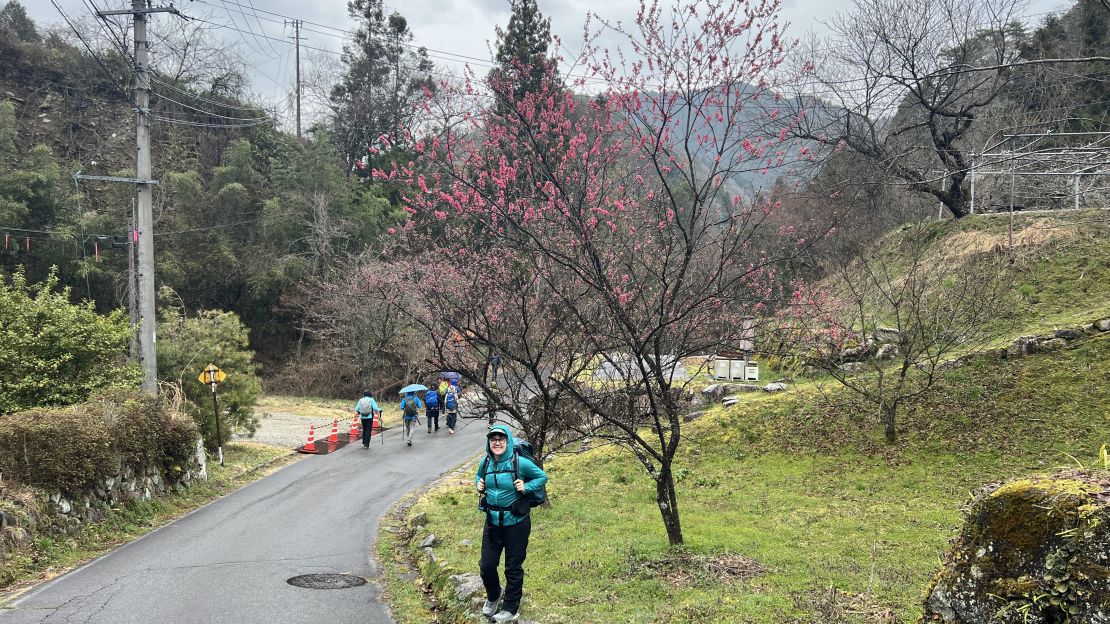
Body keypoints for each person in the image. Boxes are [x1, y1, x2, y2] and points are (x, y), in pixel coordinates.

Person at [475, 424, 548, 623]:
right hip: (492, 522)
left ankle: (511, 608)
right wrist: (478, 484)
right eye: (493, 439)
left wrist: (526, 486)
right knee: (487, 565)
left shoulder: (520, 463)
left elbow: (542, 476)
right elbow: (478, 476)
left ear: (507, 441)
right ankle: (493, 595)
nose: (497, 442)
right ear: (489, 443)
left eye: (501, 439)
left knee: (513, 568)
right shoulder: (486, 462)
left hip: (516, 523)